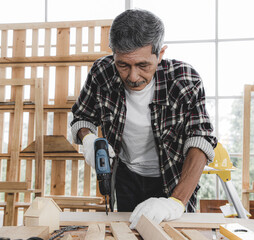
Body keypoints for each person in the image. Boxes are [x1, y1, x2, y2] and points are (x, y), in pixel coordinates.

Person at [70, 9, 217, 229]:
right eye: (123, 65)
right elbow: (82, 116)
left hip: (174, 177)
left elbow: (201, 140)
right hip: (126, 176)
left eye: (143, 65)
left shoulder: (185, 80)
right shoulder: (101, 73)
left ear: (160, 54)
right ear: (114, 54)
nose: (133, 76)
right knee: (128, 231)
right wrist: (88, 137)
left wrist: (175, 202)